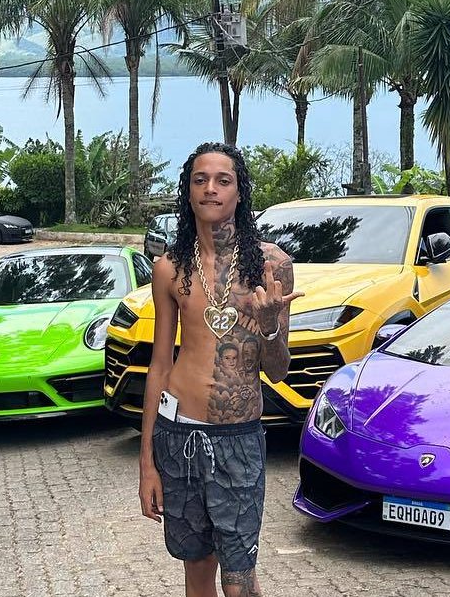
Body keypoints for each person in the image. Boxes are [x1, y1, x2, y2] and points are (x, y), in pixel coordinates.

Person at [138, 142, 301, 597]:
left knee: (238, 578)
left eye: (222, 180)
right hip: (178, 435)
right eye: (200, 179)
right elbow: (158, 366)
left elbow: (279, 372)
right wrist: (147, 463)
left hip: (238, 440)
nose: (210, 188)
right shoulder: (170, 268)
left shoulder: (271, 267)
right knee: (196, 568)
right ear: (188, 191)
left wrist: (269, 326)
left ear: (239, 192)